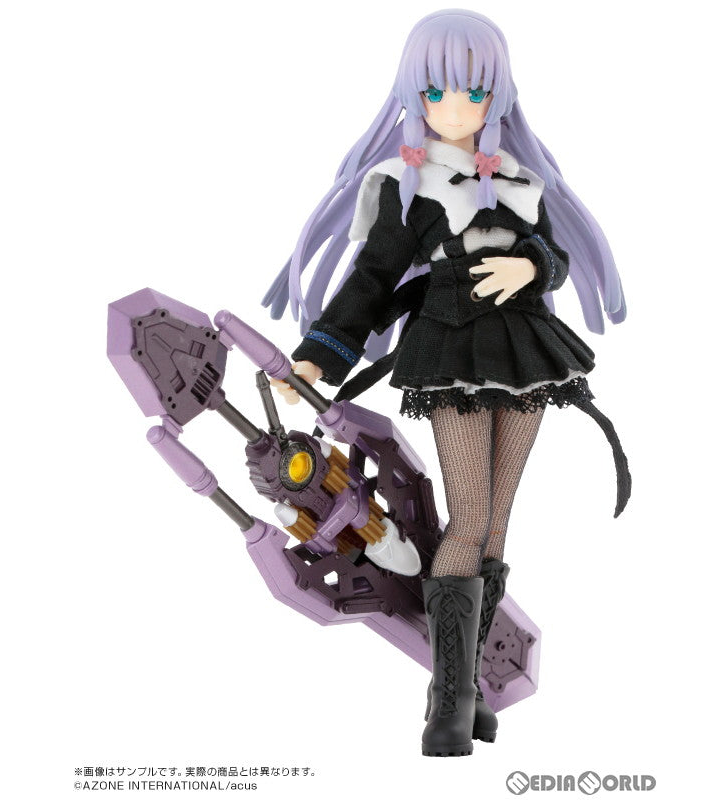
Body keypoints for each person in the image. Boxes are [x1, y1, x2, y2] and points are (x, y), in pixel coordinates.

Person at [263, 9, 629, 757]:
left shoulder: (519, 180)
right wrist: (318, 357)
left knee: (496, 522)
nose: (455, 108)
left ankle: (468, 689)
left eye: (473, 92)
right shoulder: (411, 184)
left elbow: (555, 258)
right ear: (413, 95)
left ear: (499, 95)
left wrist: (532, 265)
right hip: (452, 351)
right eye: (436, 92)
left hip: (525, 353)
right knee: (468, 519)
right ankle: (450, 697)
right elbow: (372, 280)